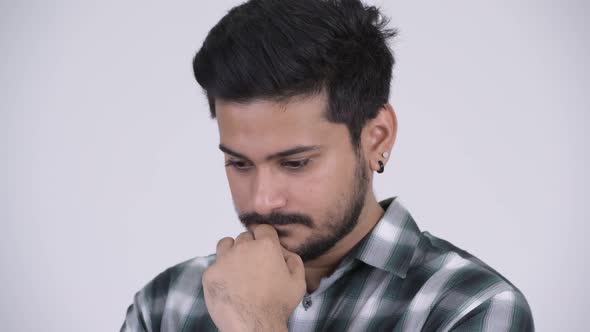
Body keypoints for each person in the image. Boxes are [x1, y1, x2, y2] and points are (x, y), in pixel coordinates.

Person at [120, 0, 534, 331]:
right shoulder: (165, 305)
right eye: (238, 163)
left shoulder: (469, 307)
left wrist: (254, 325)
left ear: (377, 138)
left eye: (296, 162)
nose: (263, 199)